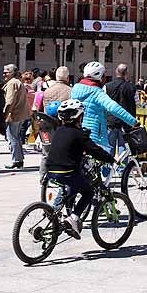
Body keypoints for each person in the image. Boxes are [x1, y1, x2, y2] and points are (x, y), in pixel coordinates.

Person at [44, 99, 117, 239]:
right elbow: (95, 150)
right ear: (79, 117)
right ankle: (73, 218)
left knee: (73, 186)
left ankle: (56, 212)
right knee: (88, 192)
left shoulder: (59, 130)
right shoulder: (79, 134)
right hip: (67, 171)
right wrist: (111, 159)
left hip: (51, 171)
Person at [70, 62, 137, 150]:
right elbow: (113, 107)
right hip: (94, 134)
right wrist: (133, 122)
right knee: (103, 159)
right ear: (100, 77)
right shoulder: (97, 92)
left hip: (77, 131)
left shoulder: (75, 89)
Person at [105, 64, 139, 152]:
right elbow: (138, 103)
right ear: (126, 73)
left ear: (116, 72)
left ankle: (108, 165)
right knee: (124, 149)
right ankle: (123, 166)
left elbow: (103, 103)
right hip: (127, 123)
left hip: (110, 121)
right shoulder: (132, 87)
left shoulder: (107, 86)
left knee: (109, 148)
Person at [1, 64, 30, 169]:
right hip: (19, 114)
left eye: (7, 71)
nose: (4, 73)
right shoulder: (17, 82)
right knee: (16, 137)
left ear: (13, 72)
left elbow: (10, 101)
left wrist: (5, 114)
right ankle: (19, 159)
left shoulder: (12, 83)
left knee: (12, 137)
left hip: (14, 114)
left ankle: (16, 160)